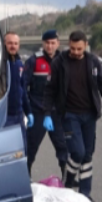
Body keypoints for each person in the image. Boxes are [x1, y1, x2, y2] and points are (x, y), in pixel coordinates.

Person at [42, 30, 102, 200]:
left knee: (88, 155)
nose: (75, 52)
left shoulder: (93, 62)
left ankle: (85, 195)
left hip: (89, 115)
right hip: (69, 115)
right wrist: (47, 113)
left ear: (85, 46)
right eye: (73, 48)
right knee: (77, 152)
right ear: (68, 45)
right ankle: (69, 180)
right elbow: (50, 90)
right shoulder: (59, 62)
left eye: (79, 49)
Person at [23, 30, 68, 178]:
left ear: (58, 43)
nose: (50, 46)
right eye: (47, 43)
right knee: (31, 147)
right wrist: (28, 110)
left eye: (53, 43)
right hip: (38, 112)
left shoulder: (65, 61)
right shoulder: (33, 61)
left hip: (57, 113)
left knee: (63, 147)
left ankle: (66, 178)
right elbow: (23, 87)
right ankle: (26, 178)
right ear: (43, 44)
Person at [3, 31, 32, 153]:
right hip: (4, 118)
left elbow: (23, 89)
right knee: (6, 153)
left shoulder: (20, 63)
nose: (13, 46)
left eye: (15, 43)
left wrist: (28, 112)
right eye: (10, 43)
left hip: (19, 116)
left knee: (22, 151)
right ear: (4, 44)